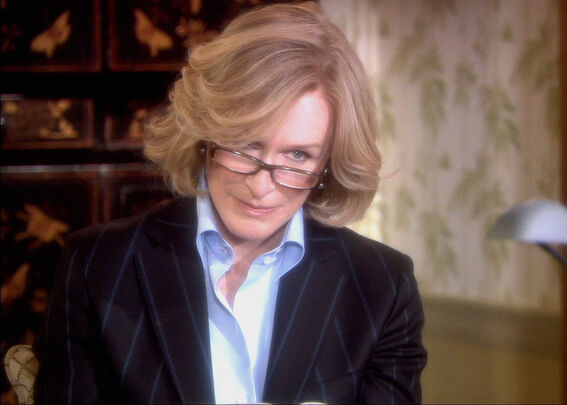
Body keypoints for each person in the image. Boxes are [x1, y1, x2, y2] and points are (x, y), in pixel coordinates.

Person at [34, 2, 426, 404]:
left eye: (298, 155)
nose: (261, 184)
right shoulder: (96, 266)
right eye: (245, 144)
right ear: (205, 132)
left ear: (329, 163)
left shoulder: (382, 286)